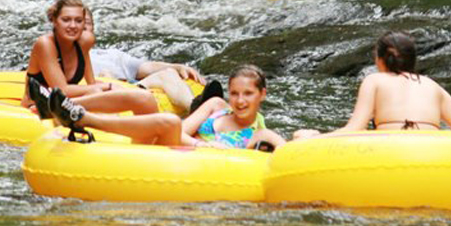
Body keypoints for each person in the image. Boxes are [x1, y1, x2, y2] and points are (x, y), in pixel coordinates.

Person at [37, 64, 287, 150]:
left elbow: (287, 153)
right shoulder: (216, 105)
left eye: (248, 94)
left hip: (188, 162)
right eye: (235, 93)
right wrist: (202, 144)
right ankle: (58, 108)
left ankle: (83, 119)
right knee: (145, 100)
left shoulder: (260, 134)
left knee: (170, 121)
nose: (240, 100)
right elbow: (182, 133)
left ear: (262, 95)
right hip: (172, 145)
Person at [293, 31, 451, 140]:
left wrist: (314, 138)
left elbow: (354, 128)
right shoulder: (433, 86)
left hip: (389, 148)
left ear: (380, 60)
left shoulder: (374, 81)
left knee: (302, 135)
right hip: (430, 148)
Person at [20, 0, 158, 116]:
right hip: (38, 105)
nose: (73, 25)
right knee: (98, 91)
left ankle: (148, 132)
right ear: (55, 21)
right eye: (66, 20)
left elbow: (89, 78)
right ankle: (112, 135)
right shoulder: (45, 45)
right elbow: (62, 90)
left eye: (79, 21)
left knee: (138, 97)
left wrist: (104, 86)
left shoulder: (86, 40)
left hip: (68, 101)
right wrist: (103, 87)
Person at [83, 8, 216, 113]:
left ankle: (197, 108)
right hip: (98, 99)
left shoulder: (109, 55)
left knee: (168, 73)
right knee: (105, 74)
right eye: (75, 21)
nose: (81, 26)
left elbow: (146, 67)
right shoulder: (64, 61)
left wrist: (178, 67)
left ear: (93, 29)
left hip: (128, 92)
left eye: (86, 23)